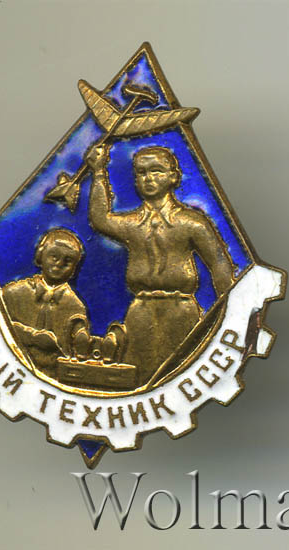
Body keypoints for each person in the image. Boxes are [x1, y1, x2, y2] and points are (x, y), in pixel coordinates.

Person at [87, 144, 235, 385]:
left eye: (156, 171)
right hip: (140, 312)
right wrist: (98, 171)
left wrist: (227, 316)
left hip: (181, 311)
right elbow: (100, 219)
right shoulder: (132, 224)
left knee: (185, 374)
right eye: (141, 172)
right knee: (139, 377)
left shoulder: (192, 223)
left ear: (173, 177)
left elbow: (220, 267)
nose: (148, 178)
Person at [2, 228, 91, 375]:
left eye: (68, 261)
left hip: (53, 374)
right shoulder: (12, 293)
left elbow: (75, 350)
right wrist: (34, 337)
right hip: (13, 366)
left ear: (74, 269)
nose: (59, 264)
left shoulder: (75, 306)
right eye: (54, 257)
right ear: (40, 256)